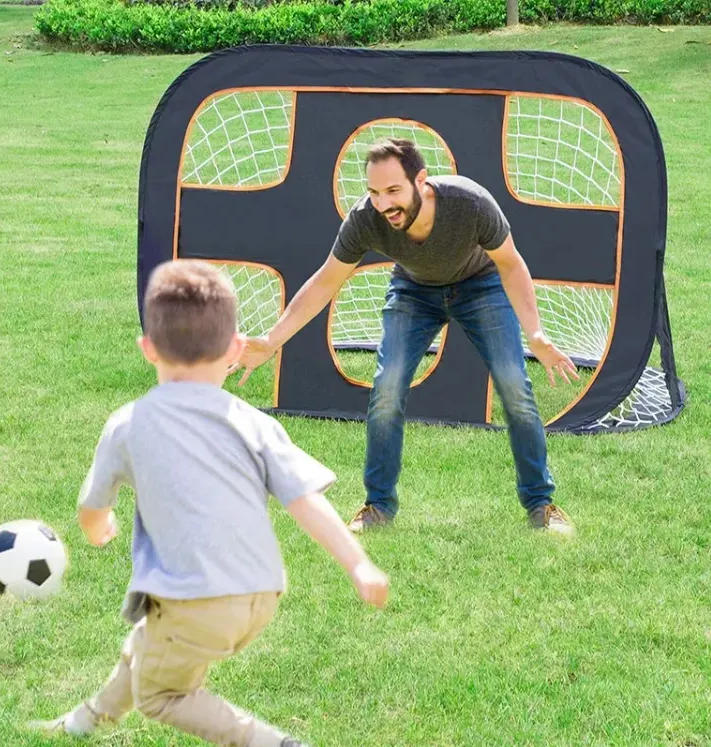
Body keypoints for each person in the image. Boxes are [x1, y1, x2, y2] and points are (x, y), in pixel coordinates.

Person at [29, 260, 389, 746]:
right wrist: (359, 564)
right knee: (146, 647)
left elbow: (91, 507)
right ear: (236, 349)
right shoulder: (254, 423)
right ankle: (87, 720)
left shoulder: (128, 423)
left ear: (147, 348)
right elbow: (304, 501)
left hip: (192, 599)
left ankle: (274, 743)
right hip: (259, 595)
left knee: (163, 694)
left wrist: (97, 528)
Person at [235, 138, 578, 535]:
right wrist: (271, 340)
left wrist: (535, 332)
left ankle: (542, 505)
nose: (384, 204)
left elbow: (511, 265)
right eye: (374, 192)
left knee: (514, 384)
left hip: (480, 285)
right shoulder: (366, 219)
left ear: (421, 180)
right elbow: (324, 282)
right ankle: (377, 506)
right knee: (387, 387)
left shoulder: (469, 203)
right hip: (414, 291)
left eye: (394, 191)